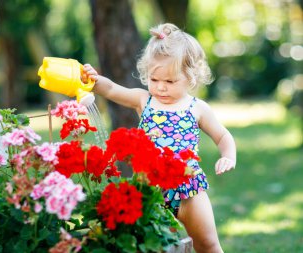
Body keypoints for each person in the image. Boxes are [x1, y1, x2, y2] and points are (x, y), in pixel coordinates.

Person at [82, 23, 236, 253]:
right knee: (147, 245)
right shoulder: (144, 100)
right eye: (155, 80)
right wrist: (94, 81)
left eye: (170, 81)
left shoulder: (197, 108)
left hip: (188, 189)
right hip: (149, 189)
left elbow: (223, 135)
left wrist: (228, 155)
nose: (161, 88)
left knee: (208, 244)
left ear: (190, 76)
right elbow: (112, 89)